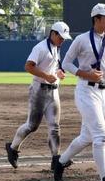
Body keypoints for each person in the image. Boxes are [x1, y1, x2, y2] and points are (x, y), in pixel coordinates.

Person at [53, 3, 105, 181]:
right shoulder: (82, 40)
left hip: (103, 91)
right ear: (96, 19)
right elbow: (66, 62)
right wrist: (83, 73)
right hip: (85, 91)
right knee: (101, 135)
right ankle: (104, 179)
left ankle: (60, 162)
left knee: (86, 137)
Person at [6, 21, 72, 171]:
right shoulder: (40, 47)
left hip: (53, 91)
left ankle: (56, 159)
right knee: (32, 126)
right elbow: (28, 66)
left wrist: (58, 73)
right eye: (60, 37)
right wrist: (46, 76)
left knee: (54, 127)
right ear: (53, 34)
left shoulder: (56, 47)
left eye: (64, 38)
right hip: (39, 91)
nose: (62, 40)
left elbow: (53, 66)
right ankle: (13, 148)